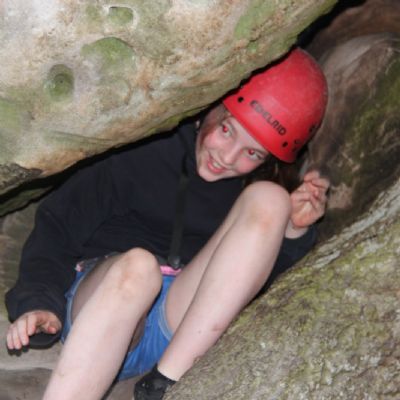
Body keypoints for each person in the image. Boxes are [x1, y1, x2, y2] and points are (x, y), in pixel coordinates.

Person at [5, 48, 330, 400]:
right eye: (226, 130)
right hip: (105, 303)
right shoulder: (139, 148)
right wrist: (39, 301)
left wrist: (293, 231)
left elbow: (253, 283)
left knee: (271, 199)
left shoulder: (250, 188)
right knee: (139, 266)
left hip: (182, 326)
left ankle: (163, 385)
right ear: (210, 106)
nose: (228, 157)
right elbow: (58, 226)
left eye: (252, 153)